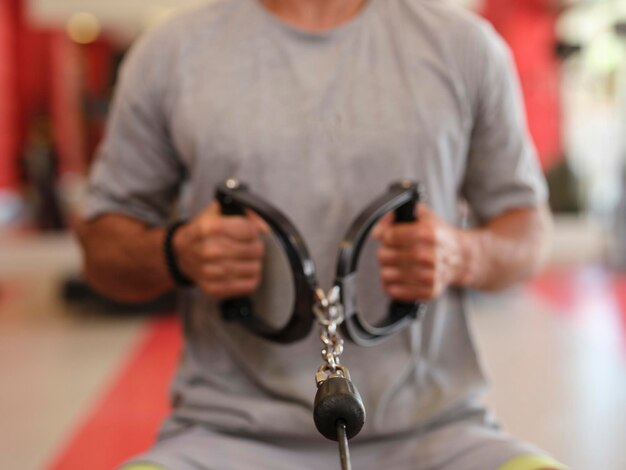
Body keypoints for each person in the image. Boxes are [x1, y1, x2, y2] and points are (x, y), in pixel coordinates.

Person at [78, 0, 563, 469]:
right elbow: (100, 249)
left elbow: (527, 231)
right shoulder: (171, 51)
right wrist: (177, 252)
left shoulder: (465, 46)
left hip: (439, 434)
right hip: (224, 437)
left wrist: (462, 254)